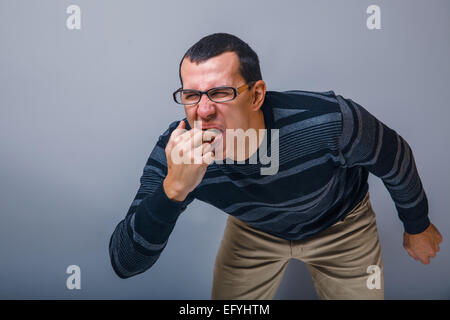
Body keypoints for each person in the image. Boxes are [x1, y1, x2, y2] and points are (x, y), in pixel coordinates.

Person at [108, 33, 442, 299]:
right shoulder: (177, 151)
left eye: (220, 92)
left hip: (342, 226)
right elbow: (125, 263)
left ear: (256, 95)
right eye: (192, 95)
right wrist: (174, 189)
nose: (204, 111)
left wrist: (417, 223)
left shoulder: (329, 120)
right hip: (254, 231)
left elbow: (393, 157)